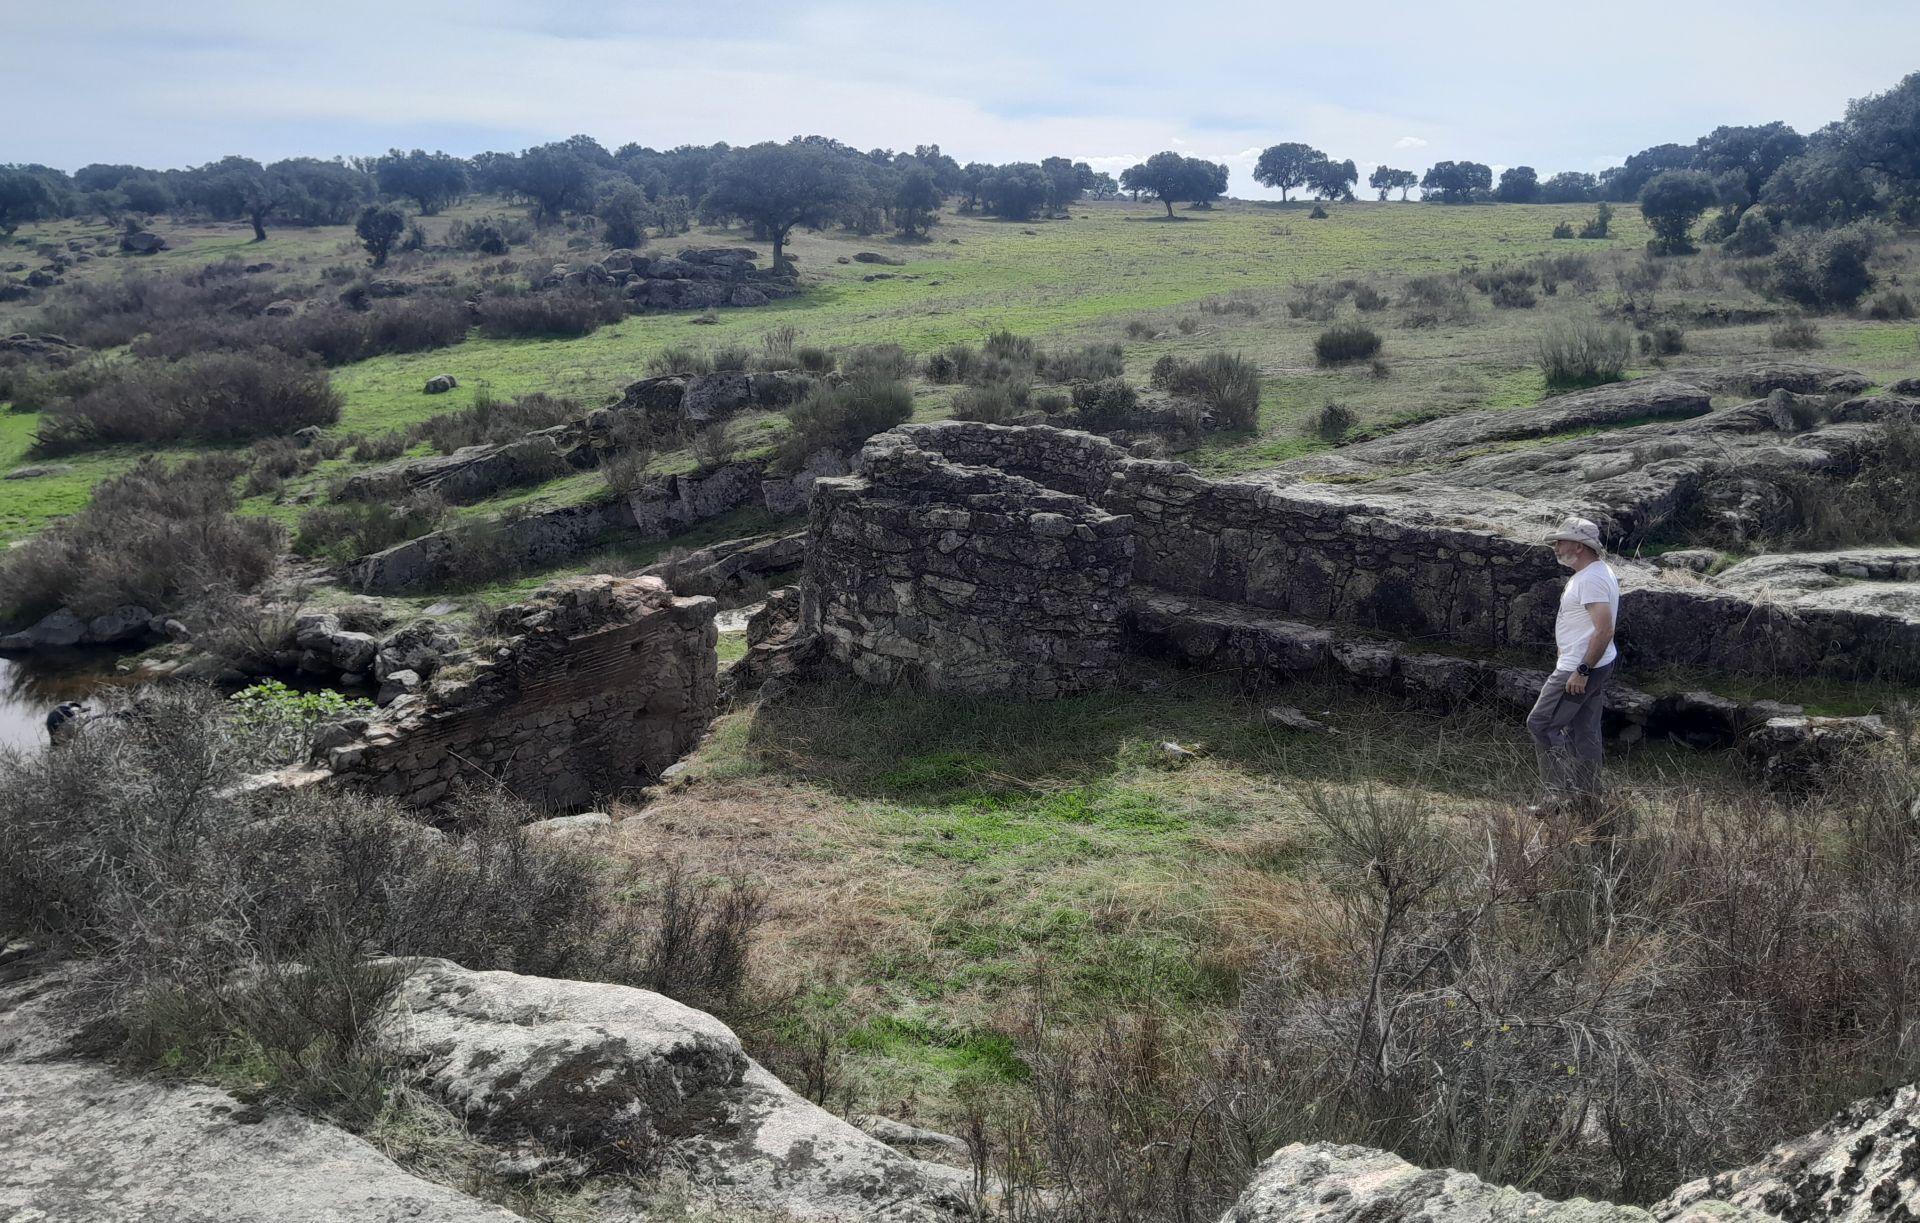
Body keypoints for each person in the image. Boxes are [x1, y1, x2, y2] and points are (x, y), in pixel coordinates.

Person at [1525, 517, 1620, 810]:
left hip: (1580, 668)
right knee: (1584, 729)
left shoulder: (1591, 579)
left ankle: (1557, 796)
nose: (1555, 546)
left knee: (1541, 724)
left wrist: (1581, 671)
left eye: (1561, 541)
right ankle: (1588, 797)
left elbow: (1604, 629)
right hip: (1594, 663)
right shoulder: (1594, 573)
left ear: (1579, 547)